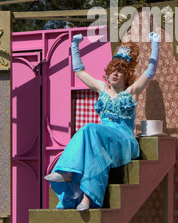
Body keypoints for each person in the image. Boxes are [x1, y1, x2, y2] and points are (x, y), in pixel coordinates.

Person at [45, 32, 160, 211]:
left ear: (127, 75)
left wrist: (155, 45)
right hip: (103, 139)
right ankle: (86, 199)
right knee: (91, 147)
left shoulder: (132, 91)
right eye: (113, 69)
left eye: (120, 70)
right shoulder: (102, 88)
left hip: (124, 140)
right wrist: (74, 46)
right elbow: (79, 71)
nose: (115, 73)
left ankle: (67, 171)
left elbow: (150, 72)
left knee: (89, 129)